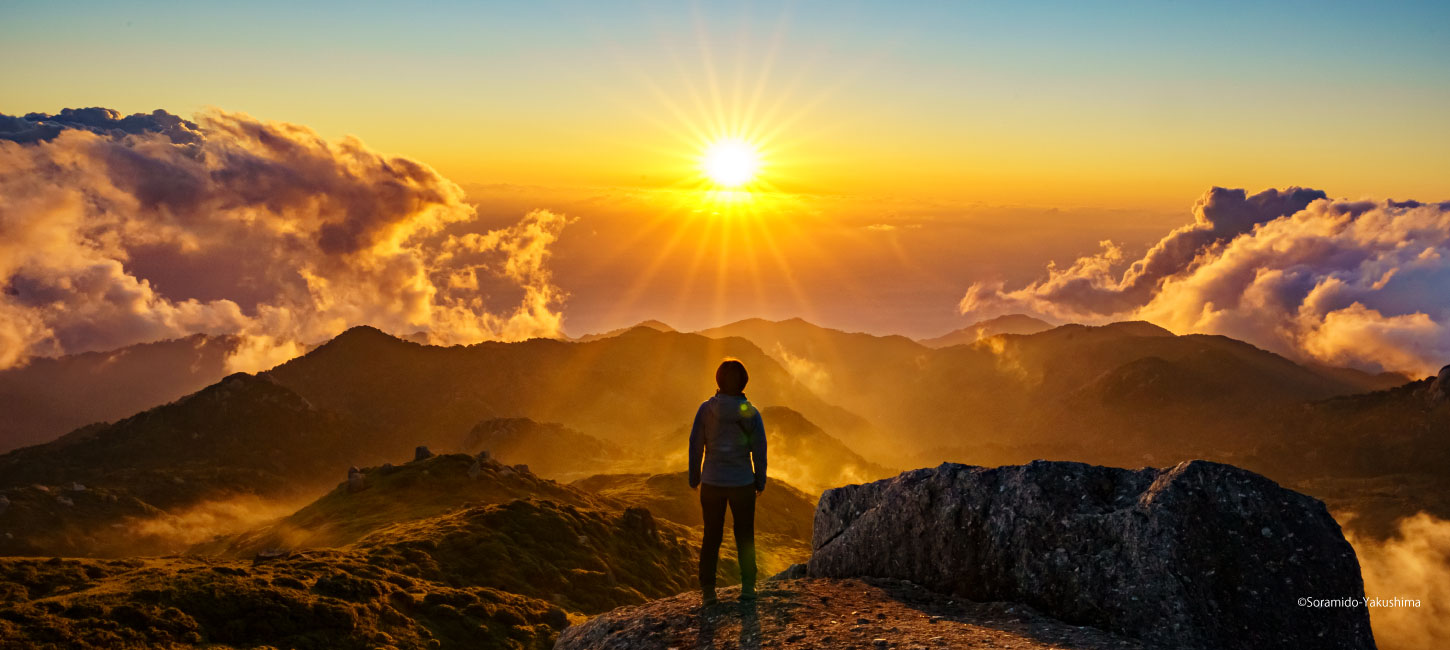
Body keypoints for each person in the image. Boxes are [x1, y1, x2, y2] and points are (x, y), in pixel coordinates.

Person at [688, 358, 767, 606]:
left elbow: (695, 444)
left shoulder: (706, 410)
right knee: (745, 536)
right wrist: (759, 481)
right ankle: (748, 587)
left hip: (712, 483)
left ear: (718, 381)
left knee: (712, 536)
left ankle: (709, 591)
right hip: (742, 483)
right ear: (744, 382)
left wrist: (694, 477)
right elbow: (760, 450)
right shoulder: (751, 413)